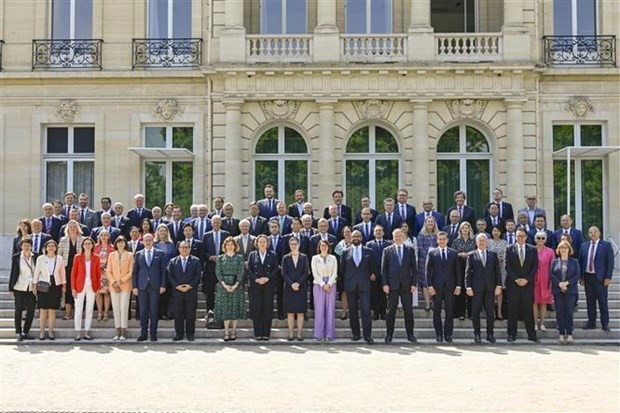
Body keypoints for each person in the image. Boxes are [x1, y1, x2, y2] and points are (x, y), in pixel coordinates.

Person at [382, 229, 417, 343]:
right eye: (395, 236)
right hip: (392, 286)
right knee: (390, 311)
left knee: (408, 311)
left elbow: (414, 269)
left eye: (400, 236)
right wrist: (385, 284)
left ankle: (410, 335)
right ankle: (389, 335)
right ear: (393, 237)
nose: (398, 238)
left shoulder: (410, 250)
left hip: (406, 285)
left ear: (403, 236)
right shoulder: (387, 251)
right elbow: (384, 270)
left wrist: (413, 283)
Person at [465, 234, 502, 343]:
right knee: (475, 312)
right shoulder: (471, 255)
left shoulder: (493, 255)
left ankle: (490, 334)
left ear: (487, 242)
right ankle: (477, 334)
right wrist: (468, 287)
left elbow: (497, 272)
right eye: (479, 241)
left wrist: (499, 285)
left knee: (490, 312)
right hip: (476, 288)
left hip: (490, 288)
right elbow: (468, 273)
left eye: (483, 241)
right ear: (476, 242)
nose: (481, 242)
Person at [340, 230, 375, 344]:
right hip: (350, 285)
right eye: (354, 236)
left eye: (358, 236)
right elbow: (342, 270)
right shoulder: (345, 252)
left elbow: (372, 268)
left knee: (365, 311)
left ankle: (367, 335)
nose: (355, 238)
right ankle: (355, 334)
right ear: (350, 238)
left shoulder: (368, 251)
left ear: (361, 238)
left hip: (364, 285)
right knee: (353, 311)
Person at [505, 228, 539, 342]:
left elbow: (535, 267)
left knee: (528, 310)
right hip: (513, 284)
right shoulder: (509, 249)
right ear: (515, 236)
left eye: (522, 236)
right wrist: (516, 279)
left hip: (527, 284)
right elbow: (507, 266)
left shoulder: (533, 249)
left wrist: (526, 279)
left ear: (526, 237)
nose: (520, 238)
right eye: (518, 236)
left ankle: (532, 335)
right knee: (512, 310)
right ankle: (511, 335)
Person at [426, 231, 461, 343]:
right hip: (436, 287)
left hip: (450, 286)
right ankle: (439, 335)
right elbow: (427, 271)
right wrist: (429, 286)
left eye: (443, 239)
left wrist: (459, 286)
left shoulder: (453, 253)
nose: (441, 241)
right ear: (437, 240)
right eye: (439, 239)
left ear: (447, 240)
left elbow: (458, 271)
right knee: (436, 312)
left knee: (450, 312)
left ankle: (448, 335)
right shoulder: (432, 253)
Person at [579, 226, 614, 332]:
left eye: (595, 232)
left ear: (599, 233)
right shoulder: (584, 246)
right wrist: (581, 277)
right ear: (588, 234)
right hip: (588, 277)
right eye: (590, 232)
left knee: (602, 302)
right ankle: (591, 322)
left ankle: (605, 324)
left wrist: (608, 277)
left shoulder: (606, 245)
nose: (593, 234)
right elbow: (581, 262)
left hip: (600, 278)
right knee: (590, 302)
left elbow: (610, 262)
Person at [132, 233, 167, 342]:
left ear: (153, 241)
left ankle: (153, 334)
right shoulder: (138, 254)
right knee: (143, 311)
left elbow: (163, 271)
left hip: (155, 286)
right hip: (142, 286)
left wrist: (163, 285)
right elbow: (135, 272)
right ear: (142, 241)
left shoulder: (160, 254)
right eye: (146, 240)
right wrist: (135, 286)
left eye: (150, 240)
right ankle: (143, 333)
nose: (148, 242)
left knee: (154, 311)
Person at [33, 239, 66, 340]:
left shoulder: (59, 259)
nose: (51, 248)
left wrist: (64, 285)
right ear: (46, 248)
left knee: (52, 310)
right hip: (43, 285)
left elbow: (62, 273)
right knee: (43, 310)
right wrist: (34, 285)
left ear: (56, 248)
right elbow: (36, 272)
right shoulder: (41, 258)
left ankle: (51, 332)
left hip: (56, 286)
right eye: (49, 246)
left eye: (53, 246)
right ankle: (42, 332)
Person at [169, 240, 201, 341]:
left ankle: (190, 334)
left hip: (190, 292)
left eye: (186, 247)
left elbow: (197, 276)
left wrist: (190, 286)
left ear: (190, 249)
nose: (184, 249)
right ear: (179, 249)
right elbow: (170, 276)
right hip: (177, 292)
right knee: (178, 314)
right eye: (182, 247)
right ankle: (179, 334)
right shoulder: (173, 261)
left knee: (190, 314)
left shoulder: (196, 261)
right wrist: (177, 286)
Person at [214, 237, 245, 341]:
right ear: (225, 246)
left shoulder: (239, 258)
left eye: (232, 245)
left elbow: (241, 272)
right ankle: (226, 331)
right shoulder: (220, 258)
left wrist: (236, 284)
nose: (230, 246)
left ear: (235, 246)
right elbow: (218, 272)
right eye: (228, 245)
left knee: (235, 308)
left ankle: (234, 331)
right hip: (223, 286)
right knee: (225, 309)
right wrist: (224, 285)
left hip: (237, 285)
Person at [248, 234, 278, 340]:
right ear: (257, 243)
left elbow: (275, 269)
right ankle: (258, 333)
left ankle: (266, 333)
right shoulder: (252, 255)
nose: (262, 244)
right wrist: (256, 279)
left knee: (267, 309)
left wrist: (267, 278)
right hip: (255, 285)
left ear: (267, 243)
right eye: (260, 242)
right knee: (257, 309)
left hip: (268, 285)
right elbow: (250, 269)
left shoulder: (273, 254)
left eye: (264, 242)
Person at [550, 241, 581, 343]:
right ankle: (561, 334)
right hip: (558, 290)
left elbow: (576, 275)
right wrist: (559, 284)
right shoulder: (555, 262)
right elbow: (551, 274)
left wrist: (567, 283)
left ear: (569, 249)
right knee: (559, 312)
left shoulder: (574, 262)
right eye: (561, 248)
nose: (563, 250)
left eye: (565, 248)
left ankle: (570, 334)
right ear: (558, 250)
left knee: (569, 312)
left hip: (570, 290)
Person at [71, 237, 101, 341]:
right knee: (78, 310)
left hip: (92, 287)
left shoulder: (96, 257)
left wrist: (98, 288)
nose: (87, 245)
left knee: (89, 310)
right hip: (79, 286)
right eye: (86, 244)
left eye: (89, 243)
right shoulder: (77, 257)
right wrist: (73, 288)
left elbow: (98, 274)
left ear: (93, 245)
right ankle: (78, 333)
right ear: (83, 246)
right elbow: (73, 274)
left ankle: (86, 332)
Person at [281, 237, 309, 341]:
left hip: (301, 287)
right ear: (289, 245)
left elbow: (306, 272)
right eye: (292, 244)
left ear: (299, 245)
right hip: (289, 287)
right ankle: (291, 334)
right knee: (290, 312)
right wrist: (292, 283)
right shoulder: (285, 258)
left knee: (300, 312)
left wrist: (298, 283)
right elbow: (284, 272)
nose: (294, 246)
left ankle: (299, 334)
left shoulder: (304, 257)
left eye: (295, 244)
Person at [9, 238, 36, 341]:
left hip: (31, 287)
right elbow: (13, 272)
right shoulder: (16, 257)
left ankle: (26, 332)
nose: (26, 247)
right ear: (21, 246)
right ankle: (18, 332)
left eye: (28, 245)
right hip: (19, 286)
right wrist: (10, 287)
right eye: (24, 245)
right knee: (18, 309)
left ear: (31, 246)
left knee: (31, 310)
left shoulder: (35, 256)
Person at [107, 236, 134, 341]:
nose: (121, 244)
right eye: (119, 242)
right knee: (116, 309)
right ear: (116, 244)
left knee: (124, 308)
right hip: (114, 286)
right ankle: (117, 332)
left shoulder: (130, 255)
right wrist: (114, 282)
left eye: (122, 242)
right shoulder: (111, 255)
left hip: (125, 285)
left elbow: (131, 271)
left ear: (125, 244)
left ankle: (123, 332)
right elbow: (108, 271)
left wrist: (121, 281)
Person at [311, 239, 338, 341]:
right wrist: (323, 284)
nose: (324, 247)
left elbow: (335, 272)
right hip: (319, 284)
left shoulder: (333, 258)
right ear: (319, 247)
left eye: (325, 245)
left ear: (328, 247)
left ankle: (329, 334)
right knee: (319, 310)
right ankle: (319, 334)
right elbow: (315, 273)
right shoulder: (315, 258)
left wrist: (329, 283)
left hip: (331, 284)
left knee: (330, 309)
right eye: (322, 245)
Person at [57, 220, 84, 320]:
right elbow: (59, 256)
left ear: (77, 228)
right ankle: (68, 314)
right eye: (71, 227)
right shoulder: (63, 240)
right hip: (67, 268)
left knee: (79, 290)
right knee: (68, 290)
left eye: (74, 227)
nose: (73, 229)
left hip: (80, 268)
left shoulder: (83, 240)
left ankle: (78, 313)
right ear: (67, 229)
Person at [452, 222, 476, 321]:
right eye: (463, 228)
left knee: (470, 289)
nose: (465, 230)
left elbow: (477, 251)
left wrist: (469, 254)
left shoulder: (474, 241)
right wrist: (460, 254)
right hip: (459, 266)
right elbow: (452, 253)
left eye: (467, 228)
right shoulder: (456, 241)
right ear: (460, 230)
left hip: (471, 267)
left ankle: (471, 313)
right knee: (460, 289)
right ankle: (460, 313)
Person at [366, 225, 391, 320]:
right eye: (376, 231)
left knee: (384, 294)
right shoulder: (369, 244)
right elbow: (367, 260)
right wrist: (370, 272)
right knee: (374, 294)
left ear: (383, 232)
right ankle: (376, 313)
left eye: (380, 231)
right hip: (374, 273)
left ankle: (383, 313)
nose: (378, 232)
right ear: (373, 233)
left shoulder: (388, 244)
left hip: (385, 273)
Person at [533, 231, 555, 331]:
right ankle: (534, 323)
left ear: (545, 240)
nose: (540, 240)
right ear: (535, 239)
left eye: (542, 238)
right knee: (534, 301)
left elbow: (553, 266)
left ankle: (542, 323)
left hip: (545, 279)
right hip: (533, 279)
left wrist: (551, 280)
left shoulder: (550, 251)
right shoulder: (531, 250)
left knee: (543, 302)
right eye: (538, 238)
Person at [153, 223, 176, 319]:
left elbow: (173, 257)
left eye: (164, 231)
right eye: (160, 230)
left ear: (167, 232)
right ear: (157, 232)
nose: (162, 232)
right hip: (156, 272)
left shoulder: (171, 244)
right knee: (156, 293)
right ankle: (157, 313)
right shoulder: (154, 244)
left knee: (166, 293)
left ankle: (165, 313)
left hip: (168, 272)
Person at [416, 216, 439, 312]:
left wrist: (434, 256)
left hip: (436, 261)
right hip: (423, 261)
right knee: (425, 283)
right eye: (428, 221)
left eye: (432, 221)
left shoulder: (438, 234)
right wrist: (429, 255)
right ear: (425, 223)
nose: (430, 223)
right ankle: (427, 304)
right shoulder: (421, 235)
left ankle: (434, 302)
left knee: (434, 282)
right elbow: (420, 248)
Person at [487, 225, 508, 320]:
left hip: (501, 268)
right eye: (494, 230)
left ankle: (499, 312)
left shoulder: (505, 243)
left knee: (500, 291)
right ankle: (492, 312)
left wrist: (502, 259)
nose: (496, 232)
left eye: (498, 231)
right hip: (490, 269)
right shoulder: (488, 242)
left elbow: (507, 255)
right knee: (491, 291)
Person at [94, 229, 114, 321]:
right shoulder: (95, 247)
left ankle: (106, 313)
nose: (104, 237)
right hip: (97, 273)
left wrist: (106, 268)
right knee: (98, 294)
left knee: (106, 293)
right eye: (102, 235)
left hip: (108, 273)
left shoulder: (112, 248)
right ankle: (99, 312)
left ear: (108, 237)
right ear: (99, 237)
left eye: (106, 235)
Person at [334, 225, 352, 320]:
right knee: (344, 292)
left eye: (349, 232)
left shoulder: (356, 243)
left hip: (354, 272)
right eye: (345, 232)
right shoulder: (339, 246)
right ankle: (344, 312)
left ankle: (353, 311)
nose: (347, 234)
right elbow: (336, 260)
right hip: (343, 273)